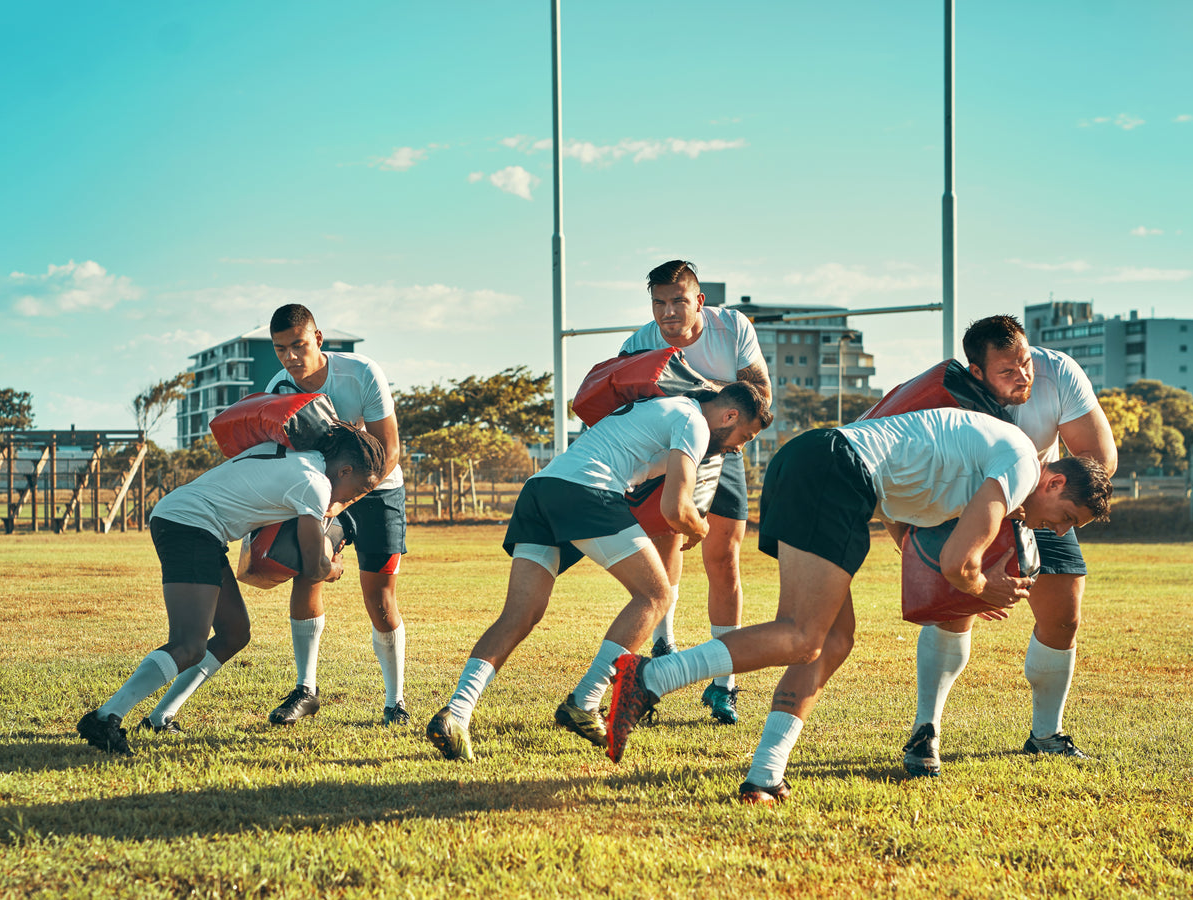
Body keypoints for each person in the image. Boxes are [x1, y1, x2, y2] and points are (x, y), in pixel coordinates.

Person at [604, 408, 1113, 804]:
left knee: (831, 642)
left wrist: (963, 574)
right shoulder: (1024, 464)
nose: (1059, 531)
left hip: (815, 464)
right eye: (1067, 516)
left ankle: (764, 777)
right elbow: (960, 562)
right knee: (803, 634)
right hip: (835, 470)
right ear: (1055, 481)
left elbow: (906, 510)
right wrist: (983, 587)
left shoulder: (1004, 460)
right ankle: (651, 678)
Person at [425, 382, 771, 761]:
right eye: (745, 436)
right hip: (586, 491)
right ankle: (586, 700)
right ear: (730, 415)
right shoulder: (695, 422)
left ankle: (456, 712)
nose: (740, 446)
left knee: (519, 615)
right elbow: (677, 508)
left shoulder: (669, 408)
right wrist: (699, 528)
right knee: (657, 595)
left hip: (541, 489)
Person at [139, 304, 410, 733]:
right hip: (321, 491)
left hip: (377, 488)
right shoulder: (279, 387)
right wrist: (309, 511)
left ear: (318, 340)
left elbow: (389, 451)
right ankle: (306, 689)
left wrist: (337, 505)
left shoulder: (361, 373)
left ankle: (395, 702)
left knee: (380, 599)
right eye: (281, 349)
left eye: (298, 345)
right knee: (309, 569)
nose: (290, 357)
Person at [76, 422, 387, 755]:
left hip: (195, 524)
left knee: (234, 632)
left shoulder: (300, 458)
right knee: (188, 645)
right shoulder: (315, 483)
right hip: (189, 523)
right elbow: (313, 567)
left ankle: (160, 717)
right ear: (345, 470)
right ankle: (106, 716)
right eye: (356, 490)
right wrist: (334, 569)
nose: (350, 499)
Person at [902, 315, 1118, 777]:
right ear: (977, 372)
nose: (1023, 375)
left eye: (1026, 362)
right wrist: (912, 540)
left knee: (1064, 615)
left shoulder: (1057, 371)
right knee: (952, 608)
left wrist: (1038, 492)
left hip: (1041, 496)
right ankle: (926, 731)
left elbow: (1099, 459)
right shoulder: (949, 391)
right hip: (965, 500)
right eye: (1008, 370)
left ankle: (1045, 735)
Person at [618, 260, 772, 726]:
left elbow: (760, 394)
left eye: (678, 301)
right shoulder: (640, 342)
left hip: (724, 447)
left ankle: (724, 683)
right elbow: (618, 403)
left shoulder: (732, 327)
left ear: (698, 301)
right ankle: (663, 650)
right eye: (659, 302)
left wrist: (706, 401)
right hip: (670, 454)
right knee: (670, 547)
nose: (668, 312)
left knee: (724, 558)